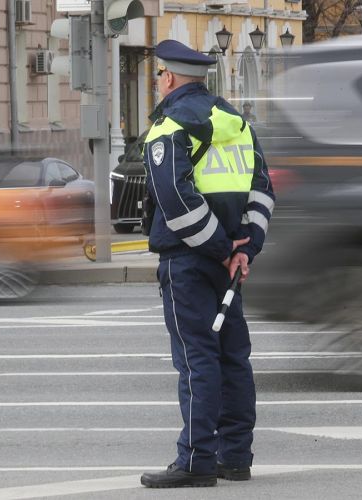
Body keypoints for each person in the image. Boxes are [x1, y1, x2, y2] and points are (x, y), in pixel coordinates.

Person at [139, 40, 275, 489]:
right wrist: (244, 248)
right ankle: (236, 457)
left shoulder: (169, 127)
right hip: (228, 262)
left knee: (198, 360)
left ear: (170, 78)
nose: (159, 81)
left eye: (159, 75)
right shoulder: (237, 123)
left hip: (189, 263)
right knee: (233, 357)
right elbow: (263, 191)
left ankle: (197, 459)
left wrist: (219, 248)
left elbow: (176, 204)